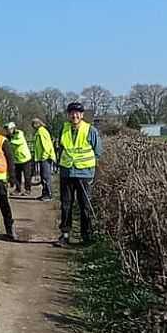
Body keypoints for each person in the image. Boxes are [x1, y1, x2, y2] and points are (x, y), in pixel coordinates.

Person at [55, 102, 103, 248]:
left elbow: (98, 152)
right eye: (71, 113)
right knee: (66, 205)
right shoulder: (63, 129)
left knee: (84, 206)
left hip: (84, 173)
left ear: (82, 115)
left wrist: (92, 172)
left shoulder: (91, 130)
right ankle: (65, 234)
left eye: (77, 113)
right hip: (67, 173)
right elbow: (61, 149)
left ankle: (86, 235)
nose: (74, 115)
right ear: (68, 115)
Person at [4, 121, 33, 195]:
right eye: (6, 129)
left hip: (25, 158)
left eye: (9, 129)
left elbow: (18, 142)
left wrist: (8, 142)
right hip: (17, 160)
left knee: (27, 176)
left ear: (13, 129)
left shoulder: (19, 134)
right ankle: (18, 189)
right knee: (17, 176)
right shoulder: (8, 137)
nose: (7, 131)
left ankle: (28, 190)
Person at [31, 117, 56, 201]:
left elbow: (47, 145)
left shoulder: (42, 132)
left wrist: (44, 156)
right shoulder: (40, 131)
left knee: (46, 176)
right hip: (42, 157)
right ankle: (45, 193)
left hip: (45, 157)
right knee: (43, 176)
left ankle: (49, 194)